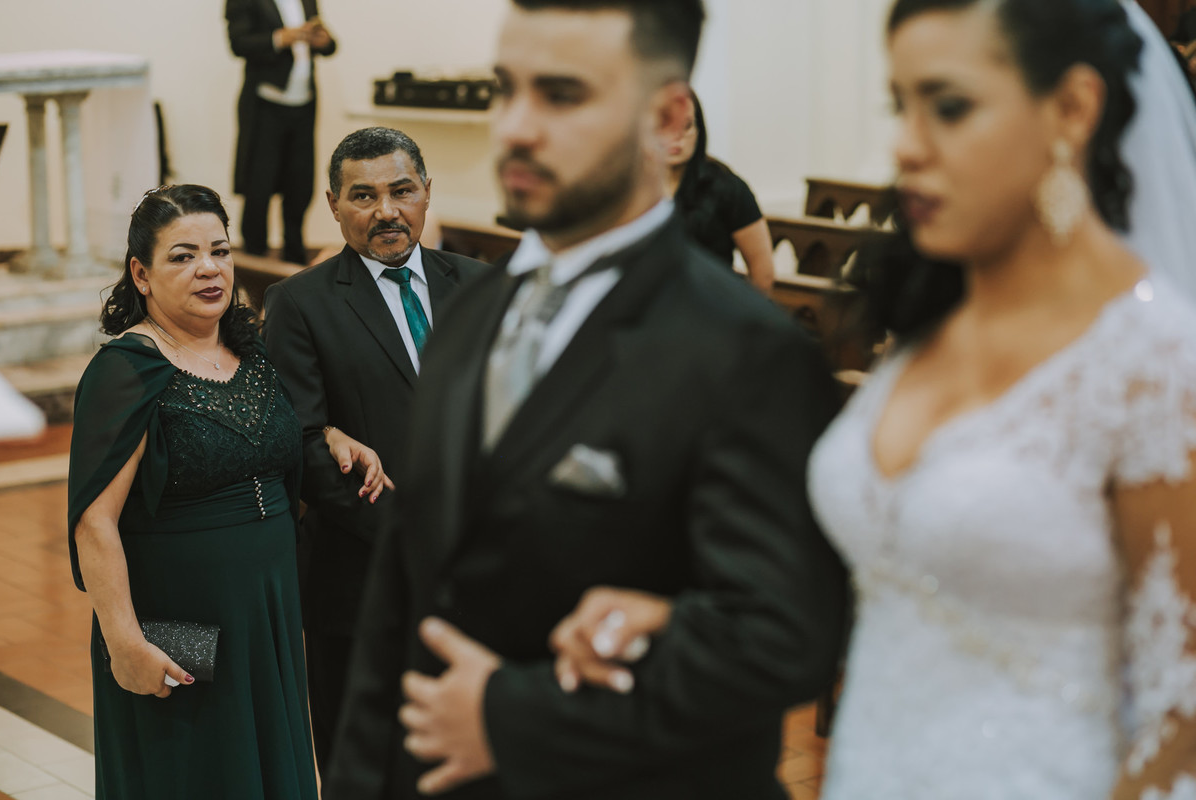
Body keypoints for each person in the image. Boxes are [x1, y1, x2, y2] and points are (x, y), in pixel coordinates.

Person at [553, 1, 1196, 798]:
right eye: (900, 106)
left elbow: (1182, 716)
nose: (906, 146)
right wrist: (677, 620)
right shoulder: (927, 328)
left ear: (1071, 109)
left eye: (949, 107)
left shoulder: (1155, 365)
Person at [325, 2, 847, 799]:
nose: (516, 128)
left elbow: (782, 639)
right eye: (507, 89)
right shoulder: (469, 313)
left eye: (562, 95)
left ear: (667, 118)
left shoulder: (744, 350)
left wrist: (512, 716)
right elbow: (400, 599)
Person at [66, 184, 389, 799]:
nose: (209, 268)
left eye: (219, 250)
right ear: (141, 274)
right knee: (197, 773)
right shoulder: (125, 370)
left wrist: (330, 435)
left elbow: (272, 438)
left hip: (266, 613)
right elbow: (94, 522)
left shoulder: (251, 351)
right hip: (181, 620)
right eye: (183, 256)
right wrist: (124, 642)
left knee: (267, 769)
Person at [261, 126, 487, 774]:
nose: (386, 211)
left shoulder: (482, 286)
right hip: (360, 583)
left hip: (477, 580)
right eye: (363, 196)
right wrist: (417, 538)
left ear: (426, 193)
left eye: (401, 191)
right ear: (333, 204)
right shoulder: (299, 304)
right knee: (362, 767)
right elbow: (304, 446)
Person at [226, 0, 336, 264]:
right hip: (265, 104)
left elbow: (330, 46)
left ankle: (294, 260)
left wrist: (324, 41)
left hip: (304, 104)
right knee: (258, 186)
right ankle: (254, 262)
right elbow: (238, 44)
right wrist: (279, 38)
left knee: (300, 184)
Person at [667, 89, 775, 294]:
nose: (676, 137)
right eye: (665, 126)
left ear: (699, 131)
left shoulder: (727, 188)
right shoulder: (630, 190)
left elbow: (763, 274)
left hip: (710, 302)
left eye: (686, 126)